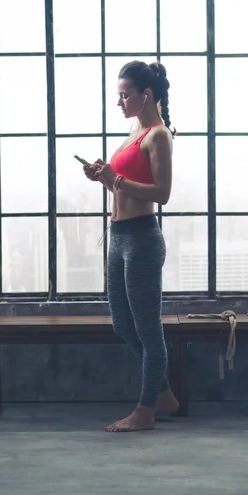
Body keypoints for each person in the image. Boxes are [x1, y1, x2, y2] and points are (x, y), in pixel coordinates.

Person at [84, 60, 179, 432]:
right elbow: (120, 185)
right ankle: (165, 394)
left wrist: (117, 180)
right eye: (119, 95)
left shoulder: (158, 135)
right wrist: (104, 178)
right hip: (119, 237)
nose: (120, 102)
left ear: (146, 94)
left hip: (142, 238)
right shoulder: (132, 133)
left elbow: (163, 194)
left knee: (148, 331)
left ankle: (146, 410)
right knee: (124, 325)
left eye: (125, 95)